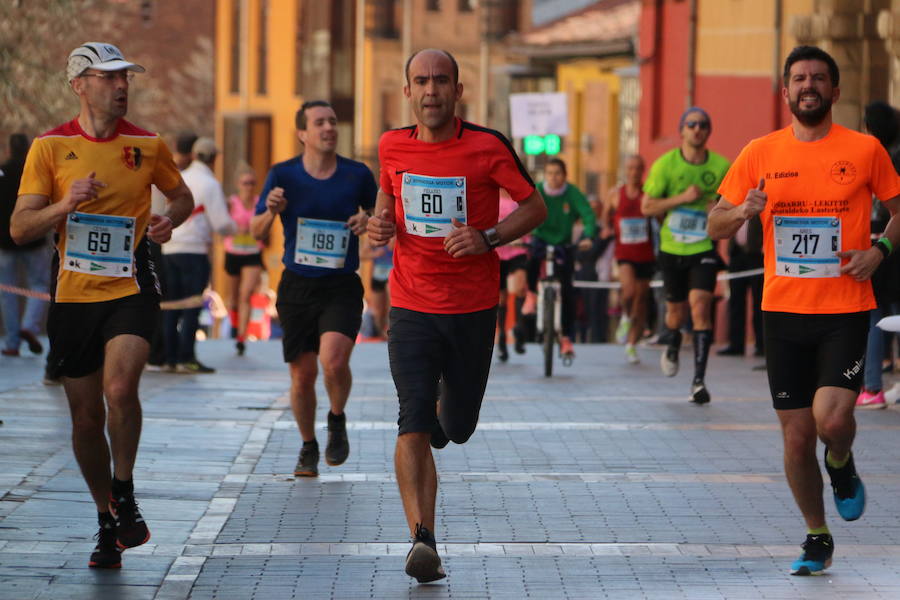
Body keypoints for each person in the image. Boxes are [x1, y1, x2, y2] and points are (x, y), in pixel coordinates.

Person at [709, 45, 900, 576]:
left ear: (835, 92)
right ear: (787, 90)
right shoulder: (759, 152)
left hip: (844, 307)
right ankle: (817, 535)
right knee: (795, 437)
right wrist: (742, 211)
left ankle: (839, 461)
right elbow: (713, 224)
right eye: (798, 78)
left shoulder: (865, 150)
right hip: (784, 313)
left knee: (832, 418)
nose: (808, 85)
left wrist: (879, 250)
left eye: (818, 78)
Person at [10, 42, 193, 569]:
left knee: (120, 388)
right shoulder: (48, 148)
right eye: (109, 77)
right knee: (86, 418)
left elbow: (180, 197)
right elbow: (20, 228)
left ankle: (125, 485)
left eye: (126, 78)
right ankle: (106, 518)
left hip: (131, 284)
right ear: (79, 84)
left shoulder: (148, 144)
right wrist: (66, 205)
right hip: (72, 295)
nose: (121, 87)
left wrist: (170, 220)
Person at [367, 48, 546, 584]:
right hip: (411, 303)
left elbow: (537, 208)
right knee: (412, 419)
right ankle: (422, 539)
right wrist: (382, 223)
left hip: (471, 308)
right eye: (420, 81)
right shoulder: (392, 144)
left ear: (457, 90)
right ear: (407, 92)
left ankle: (448, 411)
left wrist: (487, 237)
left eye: (440, 81)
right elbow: (388, 190)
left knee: (457, 427)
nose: (430, 91)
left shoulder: (488, 147)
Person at [252, 100, 376, 478]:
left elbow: (385, 216)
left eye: (333, 122)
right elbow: (256, 232)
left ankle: (336, 418)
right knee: (302, 376)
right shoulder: (283, 174)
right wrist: (271, 210)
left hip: (340, 284)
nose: (328, 128)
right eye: (319, 123)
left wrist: (367, 218)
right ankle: (308, 445)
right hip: (297, 286)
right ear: (302, 133)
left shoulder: (357, 175)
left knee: (334, 362)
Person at [641, 107, 730, 404]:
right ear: (681, 131)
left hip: (703, 247)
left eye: (703, 125)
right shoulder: (665, 165)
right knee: (675, 314)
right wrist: (683, 198)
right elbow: (647, 207)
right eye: (691, 124)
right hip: (672, 247)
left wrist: (717, 211)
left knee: (700, 305)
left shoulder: (721, 166)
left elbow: (730, 206)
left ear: (709, 131)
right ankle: (672, 343)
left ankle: (698, 382)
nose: (697, 129)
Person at [161, 136, 236, 373]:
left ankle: (169, 358)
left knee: (172, 306)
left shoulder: (180, 177)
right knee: (192, 306)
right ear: (214, 158)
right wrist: (236, 227)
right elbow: (222, 223)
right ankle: (186, 358)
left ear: (194, 155)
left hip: (169, 247)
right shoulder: (209, 183)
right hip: (194, 251)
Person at [525, 158, 596, 358]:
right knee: (530, 260)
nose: (553, 177)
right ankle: (531, 294)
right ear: (544, 175)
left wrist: (588, 236)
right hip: (540, 239)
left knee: (567, 291)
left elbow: (588, 215)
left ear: (564, 176)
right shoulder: (536, 190)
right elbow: (520, 210)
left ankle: (565, 337)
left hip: (563, 245)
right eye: (549, 173)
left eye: (557, 173)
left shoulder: (572, 194)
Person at [854, 101, 900, 408]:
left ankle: (871, 387)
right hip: (893, 245)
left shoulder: (875, 157)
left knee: (873, 316)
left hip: (880, 244)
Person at [1, 133, 50, 358]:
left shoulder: (1, 172)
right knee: (39, 285)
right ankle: (29, 326)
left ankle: (12, 343)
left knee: (7, 292)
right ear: (29, 149)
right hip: (34, 240)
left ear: (9, 149)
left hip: (4, 243)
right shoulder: (34, 171)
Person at [603, 154, 654, 363]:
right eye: (630, 168)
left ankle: (632, 345)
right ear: (626, 170)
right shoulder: (615, 194)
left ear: (643, 171)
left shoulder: (648, 195)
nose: (634, 172)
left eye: (638, 168)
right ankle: (624, 316)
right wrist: (607, 229)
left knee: (641, 301)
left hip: (645, 252)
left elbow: (658, 216)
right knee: (629, 291)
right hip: (624, 253)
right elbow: (605, 216)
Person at [223, 164, 264, 356]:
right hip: (233, 252)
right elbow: (221, 225)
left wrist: (258, 230)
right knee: (233, 299)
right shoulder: (231, 203)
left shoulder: (259, 203)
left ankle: (241, 337)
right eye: (245, 183)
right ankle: (234, 323)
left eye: (252, 183)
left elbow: (266, 225)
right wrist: (235, 228)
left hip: (253, 253)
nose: (249, 186)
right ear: (238, 184)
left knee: (245, 294)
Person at [717, 214, 764, 357]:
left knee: (759, 302)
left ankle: (761, 345)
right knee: (735, 301)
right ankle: (736, 344)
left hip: (757, 256)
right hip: (737, 256)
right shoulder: (737, 203)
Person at [496, 189, 529, 361]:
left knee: (519, 288)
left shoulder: (521, 194)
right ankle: (502, 338)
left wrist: (526, 240)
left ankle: (519, 327)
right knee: (501, 297)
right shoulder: (492, 195)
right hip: (499, 252)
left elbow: (529, 219)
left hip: (517, 250)